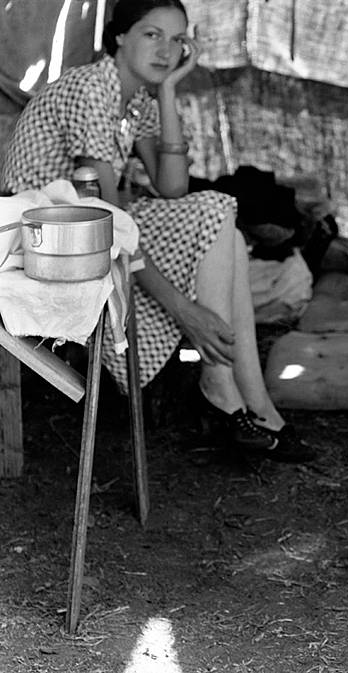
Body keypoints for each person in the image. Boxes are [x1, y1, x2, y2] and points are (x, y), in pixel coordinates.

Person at [0, 0, 314, 463]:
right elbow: (104, 223)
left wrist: (168, 90)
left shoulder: (135, 100)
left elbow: (172, 187)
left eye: (177, 40)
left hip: (79, 230)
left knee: (220, 219)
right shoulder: (91, 88)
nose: (167, 50)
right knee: (215, 213)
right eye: (152, 34)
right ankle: (229, 391)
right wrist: (183, 310)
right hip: (37, 241)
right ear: (121, 36)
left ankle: (244, 398)